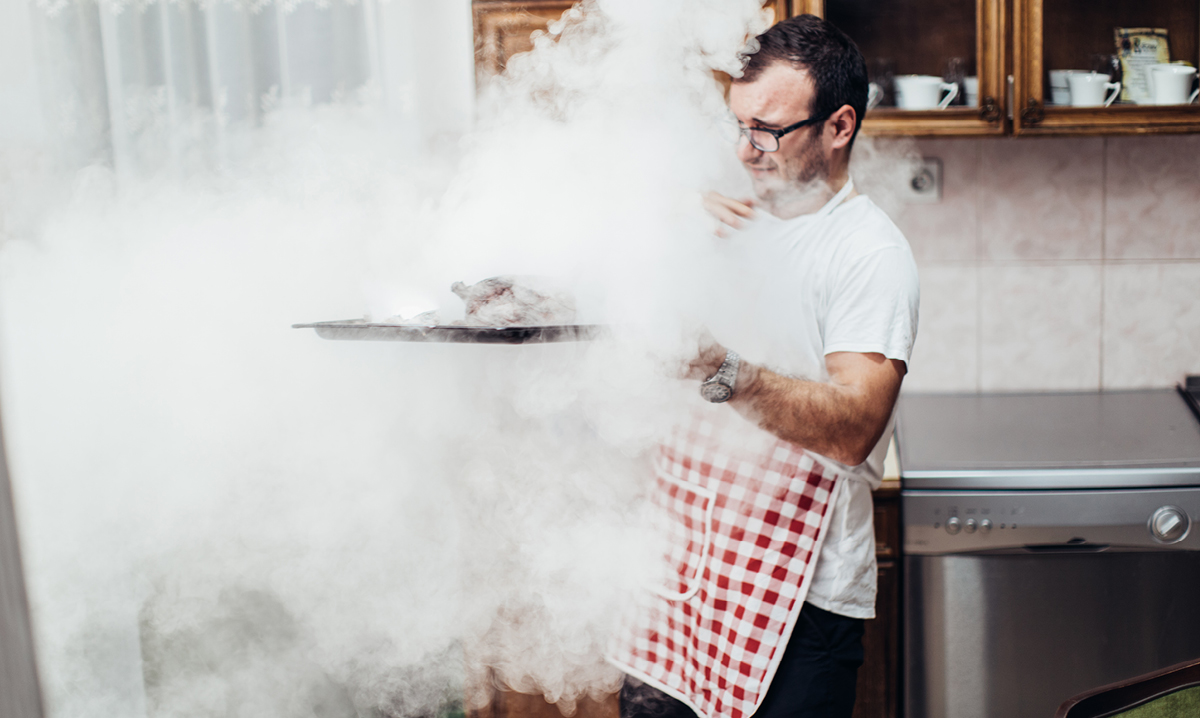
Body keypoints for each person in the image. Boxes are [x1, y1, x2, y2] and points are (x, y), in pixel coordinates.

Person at [609, 14, 918, 718]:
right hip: (685, 572)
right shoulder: (725, 213)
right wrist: (661, 217)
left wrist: (720, 369)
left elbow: (853, 428)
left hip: (799, 603)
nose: (747, 151)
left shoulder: (869, 255)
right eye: (738, 126)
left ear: (839, 127)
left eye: (769, 131)